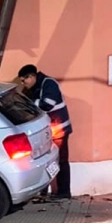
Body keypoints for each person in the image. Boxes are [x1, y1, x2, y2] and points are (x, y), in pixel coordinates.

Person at [18, 64, 72, 200]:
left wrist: (28, 103)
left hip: (59, 130)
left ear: (31, 77)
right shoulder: (36, 87)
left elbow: (46, 104)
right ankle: (45, 191)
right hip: (48, 132)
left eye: (24, 80)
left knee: (61, 161)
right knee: (48, 161)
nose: (22, 83)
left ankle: (64, 192)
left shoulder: (49, 84)